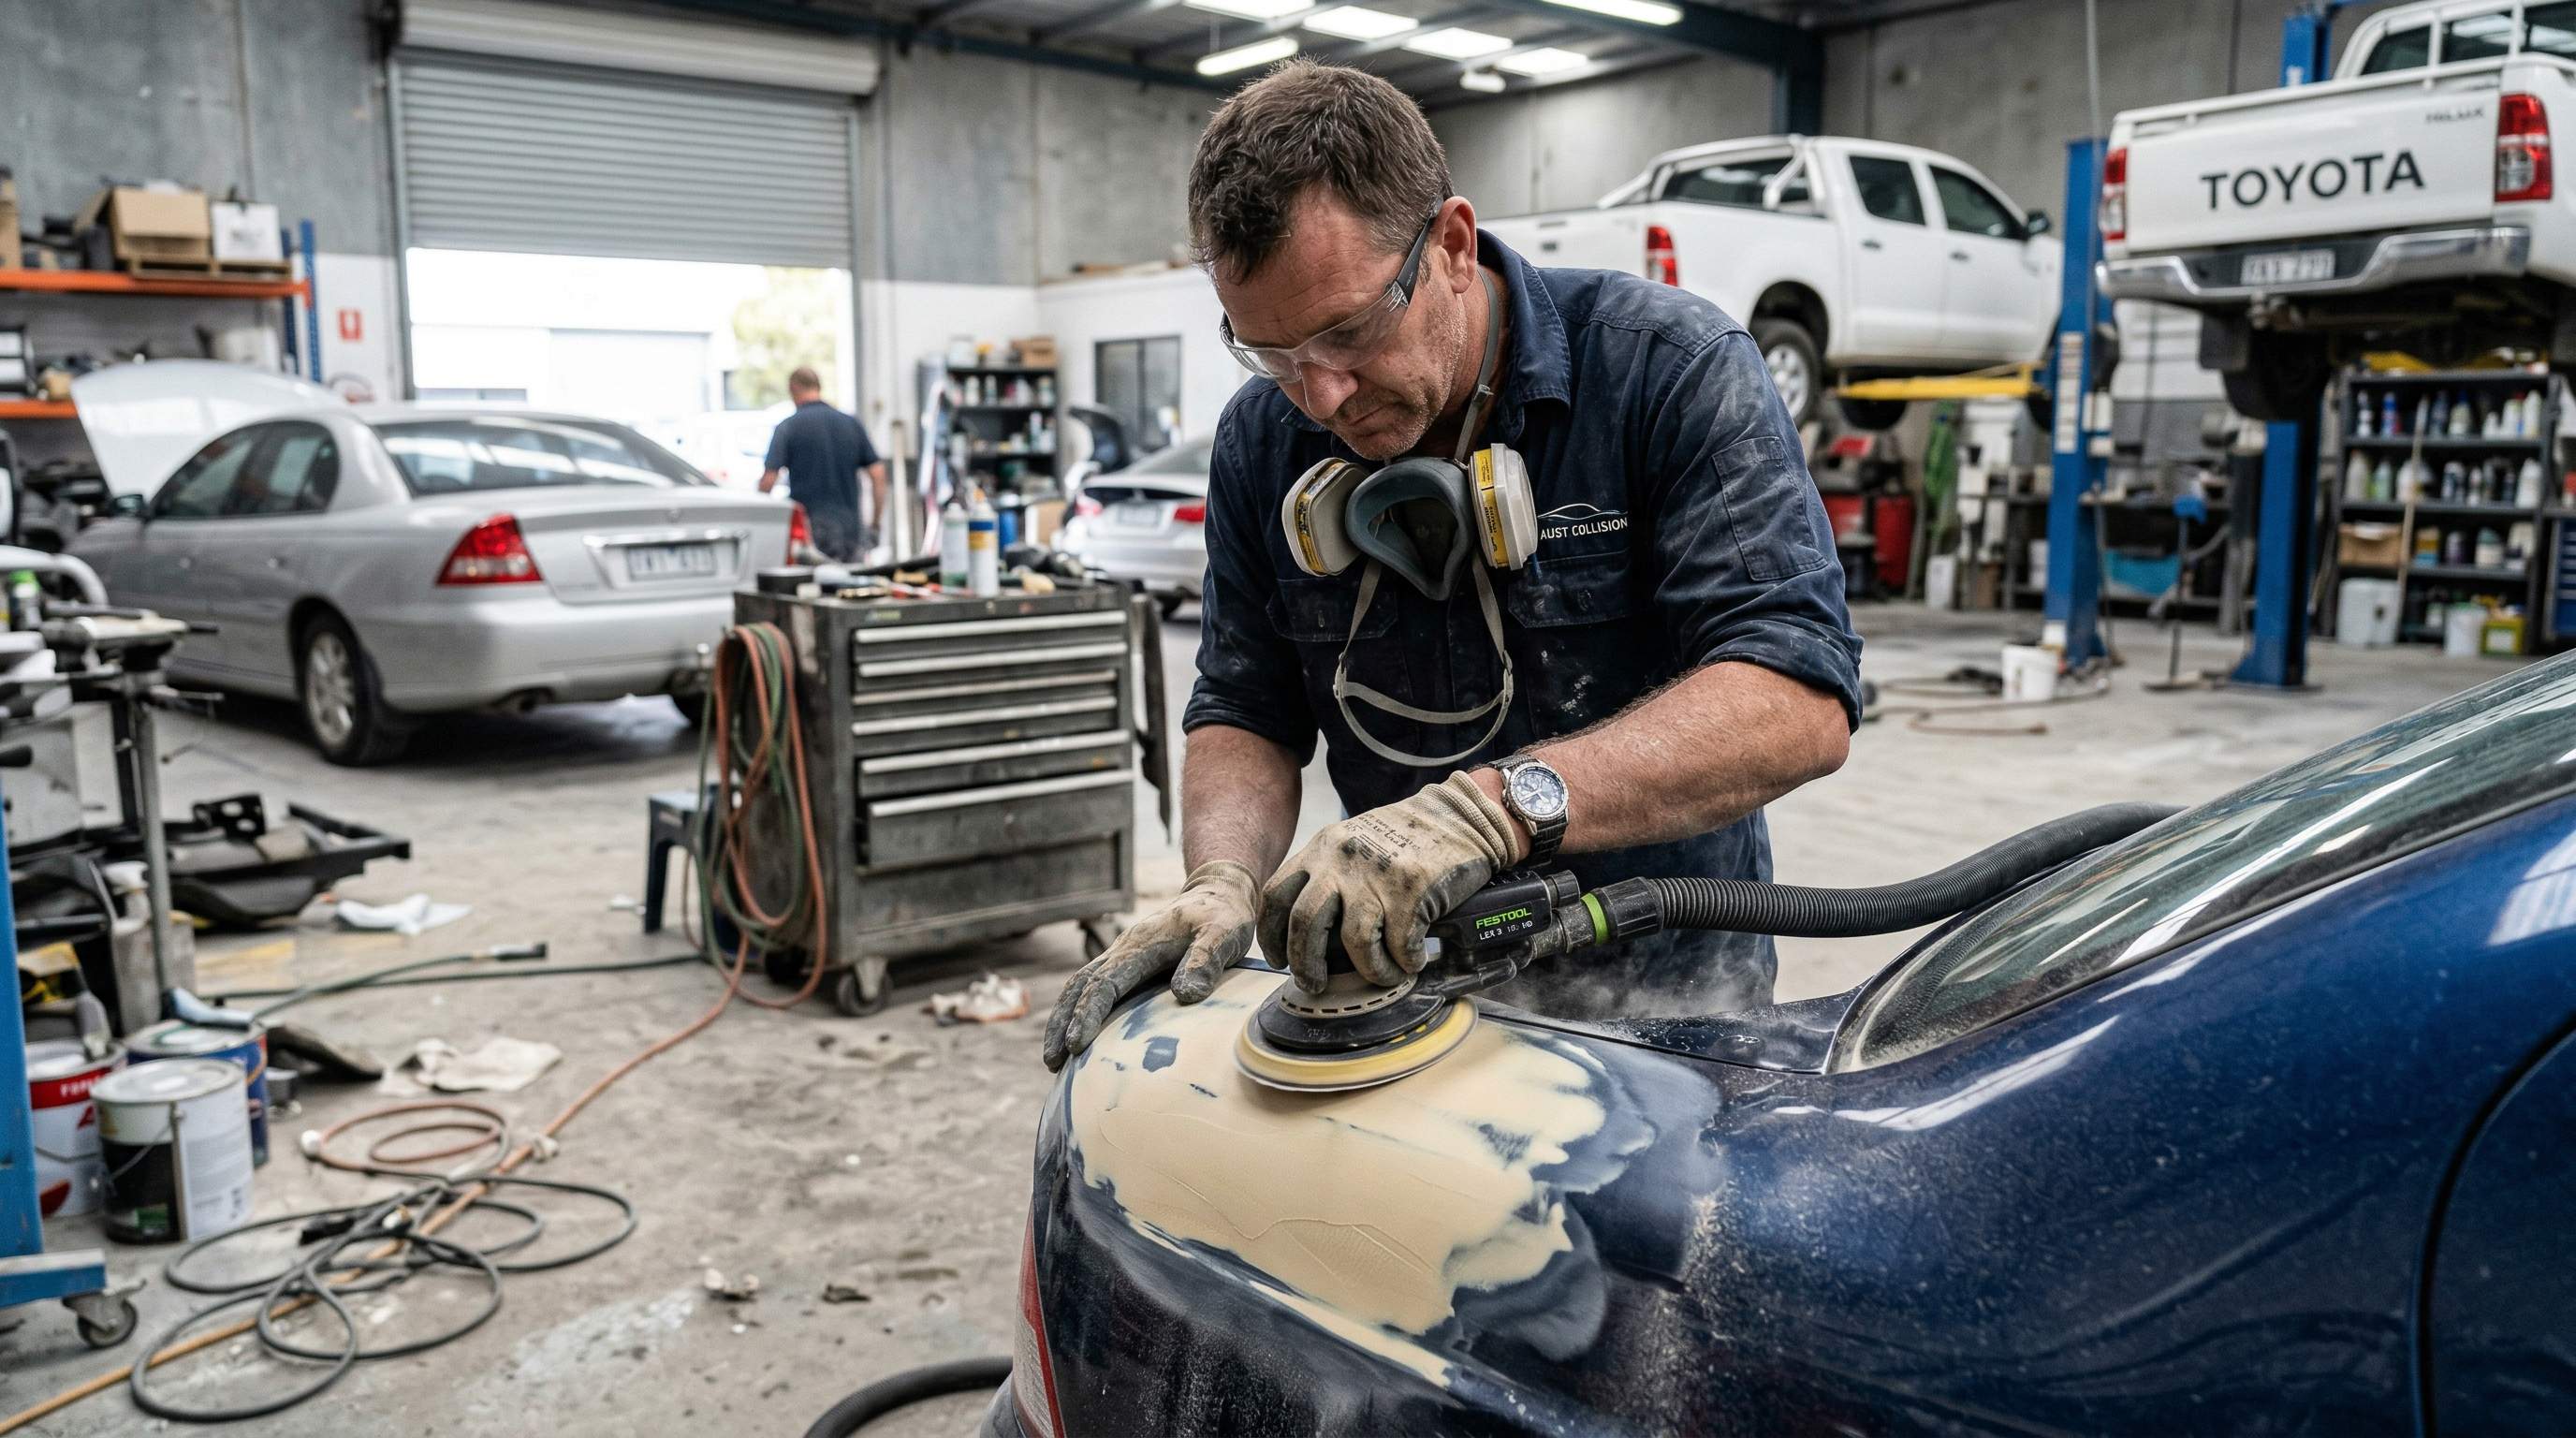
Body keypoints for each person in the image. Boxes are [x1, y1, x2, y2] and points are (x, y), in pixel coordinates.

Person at [1042, 62, 1863, 1070]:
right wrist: (1218, 876)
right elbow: (1246, 704)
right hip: (1397, 1005)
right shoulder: (1264, 440)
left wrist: (1495, 807)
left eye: (1347, 332)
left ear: (1454, 248)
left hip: (1667, 1014)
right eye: (1271, 354)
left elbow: (1797, 697)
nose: (1322, 397)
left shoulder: (1667, 371)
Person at [758, 366, 885, 562]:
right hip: (850, 529)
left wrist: (758, 520)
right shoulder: (851, 423)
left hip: (811, 531)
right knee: (853, 587)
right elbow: (878, 475)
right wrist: (875, 523)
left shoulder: (788, 427)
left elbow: (768, 481)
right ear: (818, 387)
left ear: (793, 389)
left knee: (813, 587)